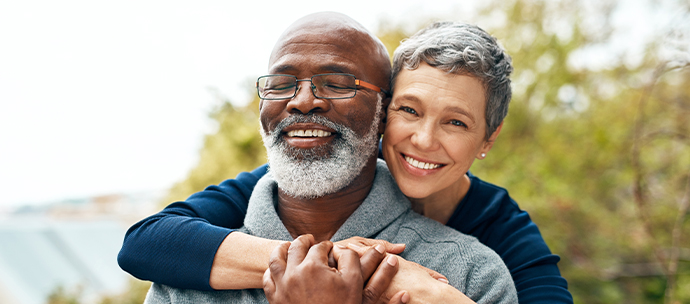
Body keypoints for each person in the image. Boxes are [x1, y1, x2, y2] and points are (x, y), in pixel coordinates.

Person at [120, 15, 573, 304]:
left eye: (456, 123)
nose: (423, 139)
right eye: (410, 111)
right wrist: (324, 264)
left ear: (487, 139)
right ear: (386, 115)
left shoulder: (487, 253)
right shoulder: (310, 161)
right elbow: (146, 242)